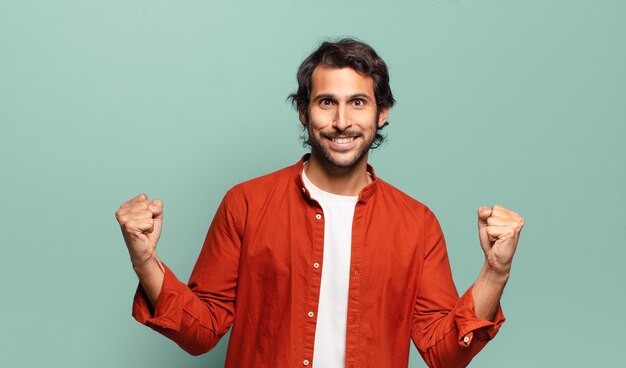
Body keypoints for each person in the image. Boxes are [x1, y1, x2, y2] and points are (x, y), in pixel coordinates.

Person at [115, 38, 525, 368]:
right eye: (327, 102)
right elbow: (200, 332)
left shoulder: (417, 224)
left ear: (382, 113)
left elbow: (444, 353)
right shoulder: (246, 204)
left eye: (358, 103)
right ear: (303, 112)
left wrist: (495, 271)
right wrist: (145, 262)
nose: (342, 120)